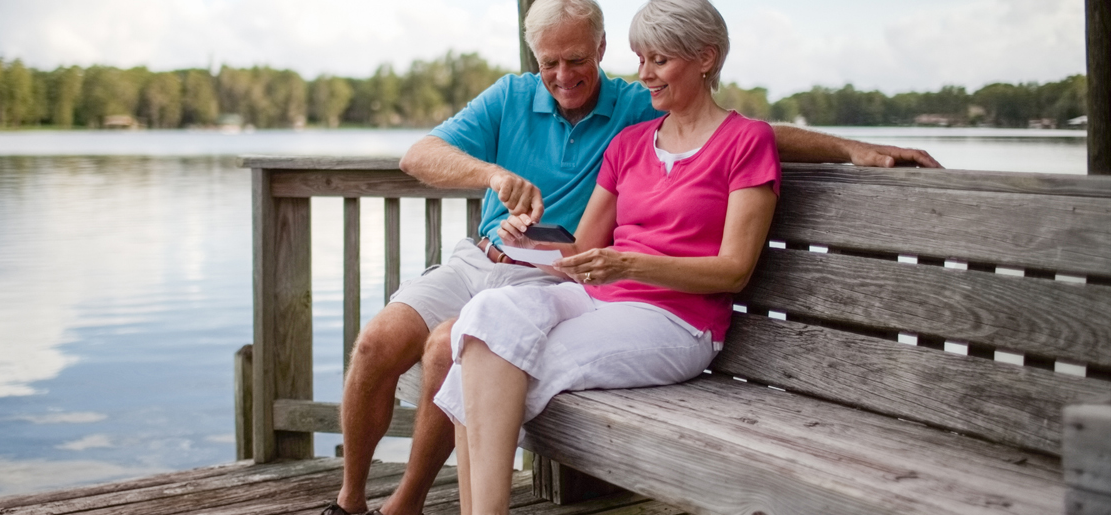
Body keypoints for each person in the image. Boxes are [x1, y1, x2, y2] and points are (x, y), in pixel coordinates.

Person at [325, 1, 942, 514]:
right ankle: (375, 502)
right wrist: (515, 218)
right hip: (547, 274)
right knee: (453, 331)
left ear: (601, 51)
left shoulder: (665, 118)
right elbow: (574, 244)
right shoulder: (594, 126)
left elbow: (741, 151)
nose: (565, 75)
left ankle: (422, 504)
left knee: (460, 351)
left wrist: (852, 148)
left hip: (657, 309)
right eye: (549, 64)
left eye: (578, 60)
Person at [434, 0, 773, 511]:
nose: (644, 75)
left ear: (705, 57)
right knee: (485, 318)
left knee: (484, 368)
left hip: (678, 320)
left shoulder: (747, 142)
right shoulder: (631, 143)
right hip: (598, 300)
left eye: (659, 60)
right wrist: (527, 239)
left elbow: (734, 272)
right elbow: (584, 249)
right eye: (641, 59)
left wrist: (629, 263)